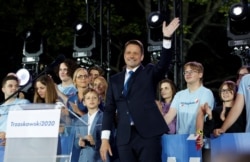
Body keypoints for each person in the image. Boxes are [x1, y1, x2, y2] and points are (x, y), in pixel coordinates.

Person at [100, 17, 180, 162]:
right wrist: (105, 138)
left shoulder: (149, 72)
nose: (132, 56)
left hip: (148, 135)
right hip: (124, 137)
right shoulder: (115, 80)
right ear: (124, 55)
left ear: (142, 56)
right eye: (128, 53)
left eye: (136, 53)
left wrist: (167, 38)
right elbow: (109, 110)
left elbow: (163, 64)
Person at [196, 81, 246, 162]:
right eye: (223, 90)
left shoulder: (241, 111)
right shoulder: (216, 111)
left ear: (235, 92)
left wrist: (224, 120)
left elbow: (240, 131)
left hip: (237, 150)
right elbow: (207, 132)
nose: (225, 93)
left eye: (229, 90)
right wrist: (210, 116)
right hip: (219, 150)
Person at [162, 61, 215, 134]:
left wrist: (199, 135)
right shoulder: (179, 95)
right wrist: (155, 131)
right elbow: (169, 115)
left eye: (192, 71)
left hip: (197, 138)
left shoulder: (206, 93)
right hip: (181, 139)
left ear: (200, 74)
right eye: (186, 72)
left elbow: (201, 115)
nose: (188, 74)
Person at [0, 75, 30, 162]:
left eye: (16, 86)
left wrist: (11, 136)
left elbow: (27, 125)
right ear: (3, 89)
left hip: (15, 145)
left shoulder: (24, 103)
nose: (14, 88)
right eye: (10, 86)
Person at [75, 88, 110, 162]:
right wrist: (79, 142)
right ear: (84, 102)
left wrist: (95, 142)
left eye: (94, 98)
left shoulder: (105, 118)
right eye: (88, 98)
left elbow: (112, 140)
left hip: (100, 158)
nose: (91, 100)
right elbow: (75, 141)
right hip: (83, 159)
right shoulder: (80, 120)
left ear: (99, 101)